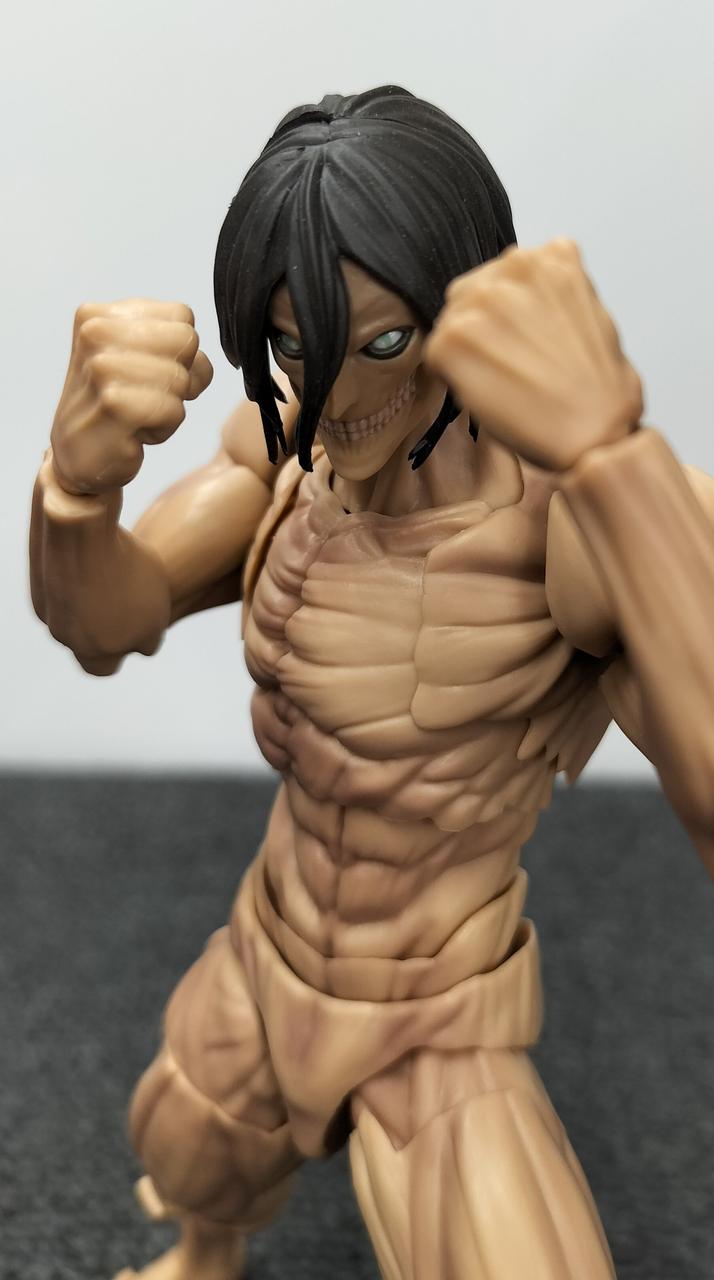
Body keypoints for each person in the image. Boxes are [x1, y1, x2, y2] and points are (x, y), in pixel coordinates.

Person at [31, 85, 714, 1280]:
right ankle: (203, 1256)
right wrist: (76, 489)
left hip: (435, 1005)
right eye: (297, 344)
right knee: (188, 1142)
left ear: (467, 305)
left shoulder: (568, 526)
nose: (337, 392)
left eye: (383, 343)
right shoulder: (286, 454)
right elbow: (106, 621)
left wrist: (617, 456)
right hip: (270, 938)